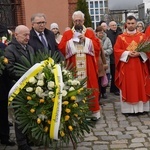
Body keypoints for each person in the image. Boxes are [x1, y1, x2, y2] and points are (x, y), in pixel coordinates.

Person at [58, 11, 101, 120]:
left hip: (88, 67)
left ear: (83, 20)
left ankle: (92, 113)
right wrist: (72, 42)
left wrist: (86, 40)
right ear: (73, 21)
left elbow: (97, 47)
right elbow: (62, 48)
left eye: (80, 20)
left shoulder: (90, 32)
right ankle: (76, 113)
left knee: (91, 88)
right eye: (76, 20)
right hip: (74, 67)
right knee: (74, 88)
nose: (78, 22)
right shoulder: (67, 34)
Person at [4, 25, 35, 150]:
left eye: (28, 35)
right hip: (17, 87)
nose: (28, 37)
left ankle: (28, 138)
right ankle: (22, 144)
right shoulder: (10, 50)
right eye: (24, 35)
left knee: (29, 114)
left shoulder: (30, 48)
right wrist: (27, 77)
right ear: (16, 35)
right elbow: (10, 70)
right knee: (21, 116)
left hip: (30, 87)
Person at [114, 15, 150, 115]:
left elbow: (147, 50)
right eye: (129, 23)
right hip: (126, 67)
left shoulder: (142, 36)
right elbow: (116, 50)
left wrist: (140, 53)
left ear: (136, 23)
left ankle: (141, 109)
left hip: (139, 66)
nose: (130, 25)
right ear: (126, 24)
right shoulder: (121, 37)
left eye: (132, 23)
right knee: (128, 86)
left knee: (140, 85)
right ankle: (127, 110)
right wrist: (127, 53)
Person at [0, 25, 15, 146]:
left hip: (2, 87)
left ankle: (4, 137)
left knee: (3, 114)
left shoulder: (3, 47)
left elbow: (7, 68)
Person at [95, 26, 112, 99]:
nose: (101, 34)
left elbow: (111, 49)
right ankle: (99, 92)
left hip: (105, 60)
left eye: (102, 32)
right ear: (96, 33)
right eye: (99, 33)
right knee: (99, 78)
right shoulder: (95, 40)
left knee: (105, 77)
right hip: (98, 62)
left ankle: (104, 92)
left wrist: (104, 52)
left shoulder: (107, 39)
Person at [106, 21, 122, 95]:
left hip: (118, 57)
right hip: (111, 57)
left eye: (115, 25)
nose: (114, 26)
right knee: (113, 73)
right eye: (112, 25)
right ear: (109, 26)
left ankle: (115, 88)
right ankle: (114, 88)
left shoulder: (119, 33)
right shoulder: (107, 34)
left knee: (117, 73)